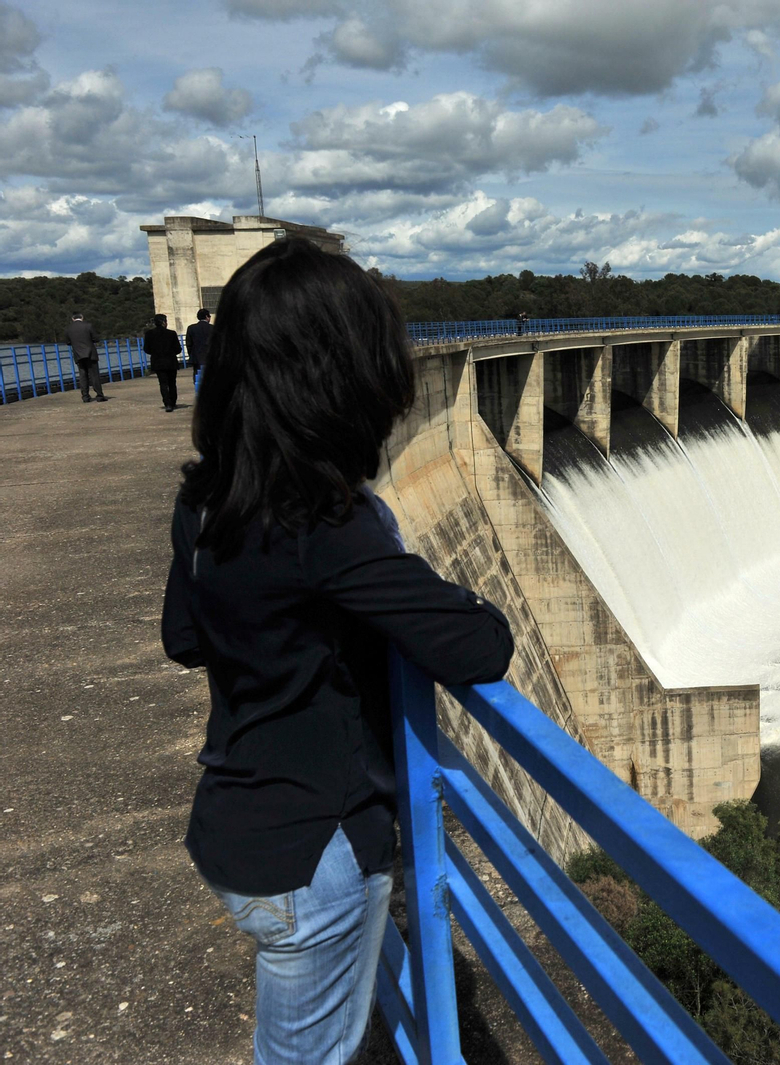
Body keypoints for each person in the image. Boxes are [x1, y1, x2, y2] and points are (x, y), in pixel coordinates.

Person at [160, 238, 514, 1064]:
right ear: (336, 377)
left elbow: (184, 639)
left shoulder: (205, 497)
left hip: (232, 824)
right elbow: (479, 644)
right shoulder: (324, 525)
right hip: (313, 852)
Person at [143, 314, 183, 411]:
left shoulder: (149, 334)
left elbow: (146, 349)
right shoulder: (172, 333)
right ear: (164, 322)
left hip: (158, 362)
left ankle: (167, 404)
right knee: (172, 383)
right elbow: (178, 349)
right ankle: (173, 402)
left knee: (163, 384)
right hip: (171, 362)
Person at [65, 312, 106, 403]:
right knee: (94, 376)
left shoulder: (69, 328)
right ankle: (99, 396)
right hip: (90, 354)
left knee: (83, 376)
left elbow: (68, 342)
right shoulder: (88, 326)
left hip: (78, 355)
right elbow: (96, 339)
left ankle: (85, 397)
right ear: (82, 317)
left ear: (73, 319)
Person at [185, 308, 212, 391]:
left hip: (197, 357)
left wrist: (192, 355)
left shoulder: (191, 328)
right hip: (211, 358)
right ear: (207, 317)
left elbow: (189, 344)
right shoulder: (213, 328)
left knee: (198, 378)